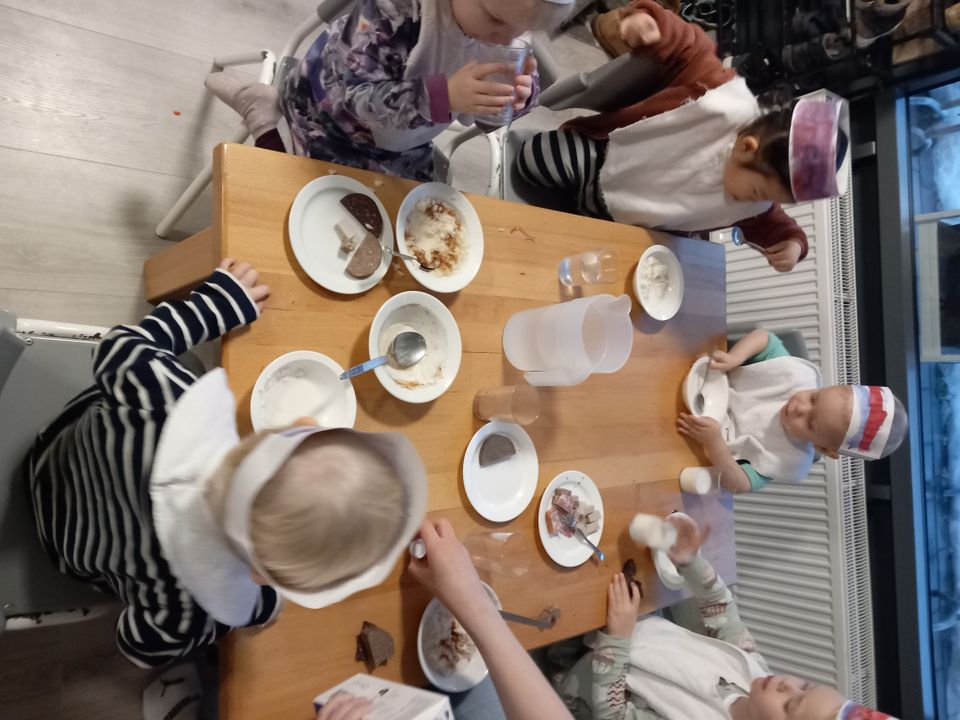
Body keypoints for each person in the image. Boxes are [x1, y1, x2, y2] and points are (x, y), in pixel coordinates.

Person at [27, 259, 428, 668]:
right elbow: (136, 646)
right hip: (64, 553)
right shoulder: (187, 608)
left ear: (300, 424)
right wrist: (245, 609)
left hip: (48, 457)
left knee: (186, 364)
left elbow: (115, 348)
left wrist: (217, 305)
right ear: (261, 578)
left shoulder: (167, 400)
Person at [517, 0, 849, 273]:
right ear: (748, 148)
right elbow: (689, 46)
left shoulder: (757, 201)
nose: (755, 202)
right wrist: (649, 23)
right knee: (535, 159)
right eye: (757, 191)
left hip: (629, 226)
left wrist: (793, 245)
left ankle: (569, 227)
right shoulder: (717, 98)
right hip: (602, 161)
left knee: (582, 261)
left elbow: (772, 222)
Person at [556, 513, 898, 719]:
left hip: (576, 681)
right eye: (805, 685)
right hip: (613, 631)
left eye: (790, 705)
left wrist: (617, 639)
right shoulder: (753, 672)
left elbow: (612, 715)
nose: (786, 684)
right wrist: (690, 562)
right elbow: (720, 610)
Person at [205, 0, 574, 182]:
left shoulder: (505, 21)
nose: (505, 40)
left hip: (404, 139)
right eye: (495, 20)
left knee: (416, 218)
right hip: (329, 116)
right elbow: (352, 97)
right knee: (295, 194)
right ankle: (265, 118)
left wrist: (518, 98)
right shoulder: (392, 12)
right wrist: (443, 97)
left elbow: (484, 119)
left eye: (522, 31)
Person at [676, 329, 907, 492]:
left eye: (810, 422)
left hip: (690, 438)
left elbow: (739, 483)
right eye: (814, 397)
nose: (799, 407)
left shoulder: (790, 459)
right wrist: (734, 358)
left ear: (823, 448)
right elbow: (764, 338)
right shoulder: (797, 377)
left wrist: (714, 443)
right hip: (699, 379)